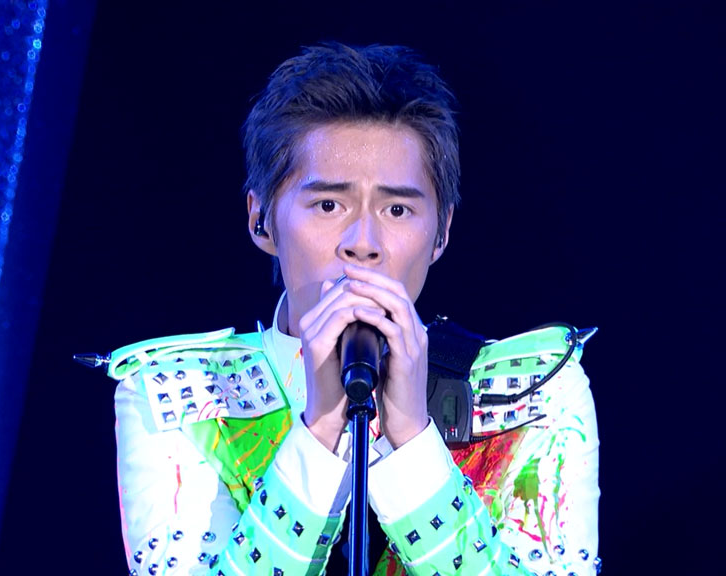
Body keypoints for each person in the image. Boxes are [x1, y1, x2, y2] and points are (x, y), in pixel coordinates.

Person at [108, 43, 600, 576]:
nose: (363, 243)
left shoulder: (534, 394)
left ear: (441, 232)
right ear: (261, 220)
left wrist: (412, 439)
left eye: (397, 209)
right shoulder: (181, 396)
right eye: (328, 205)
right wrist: (318, 432)